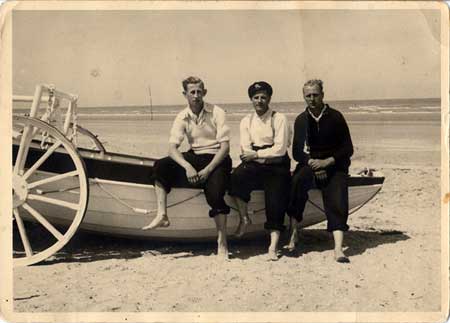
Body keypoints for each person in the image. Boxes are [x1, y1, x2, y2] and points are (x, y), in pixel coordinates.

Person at [142, 76, 232, 260]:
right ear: (185, 94)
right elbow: (172, 148)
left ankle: (222, 241)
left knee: (215, 195)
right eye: (192, 92)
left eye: (199, 91)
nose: (196, 96)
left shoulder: (217, 112)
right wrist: (188, 167)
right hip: (195, 156)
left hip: (217, 157)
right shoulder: (182, 116)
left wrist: (207, 170)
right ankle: (162, 215)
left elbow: (225, 147)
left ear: (204, 92)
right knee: (161, 166)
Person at [287, 79, 353, 263]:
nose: (312, 99)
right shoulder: (301, 120)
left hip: (334, 165)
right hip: (311, 164)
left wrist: (327, 162)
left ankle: (338, 248)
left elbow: (347, 148)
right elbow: (297, 152)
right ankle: (293, 234)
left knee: (337, 195)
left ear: (323, 95)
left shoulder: (336, 117)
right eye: (308, 96)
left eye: (315, 95)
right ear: (304, 97)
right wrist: (312, 163)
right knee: (296, 183)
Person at [229, 81, 291, 261]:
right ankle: (244, 218)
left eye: (263, 97)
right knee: (236, 177)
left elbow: (279, 149)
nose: (260, 101)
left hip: (277, 165)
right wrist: (256, 156)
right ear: (251, 100)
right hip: (256, 163)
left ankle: (273, 247)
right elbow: (245, 148)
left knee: (275, 197)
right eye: (256, 97)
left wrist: (257, 155)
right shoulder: (246, 121)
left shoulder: (279, 118)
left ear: (269, 98)